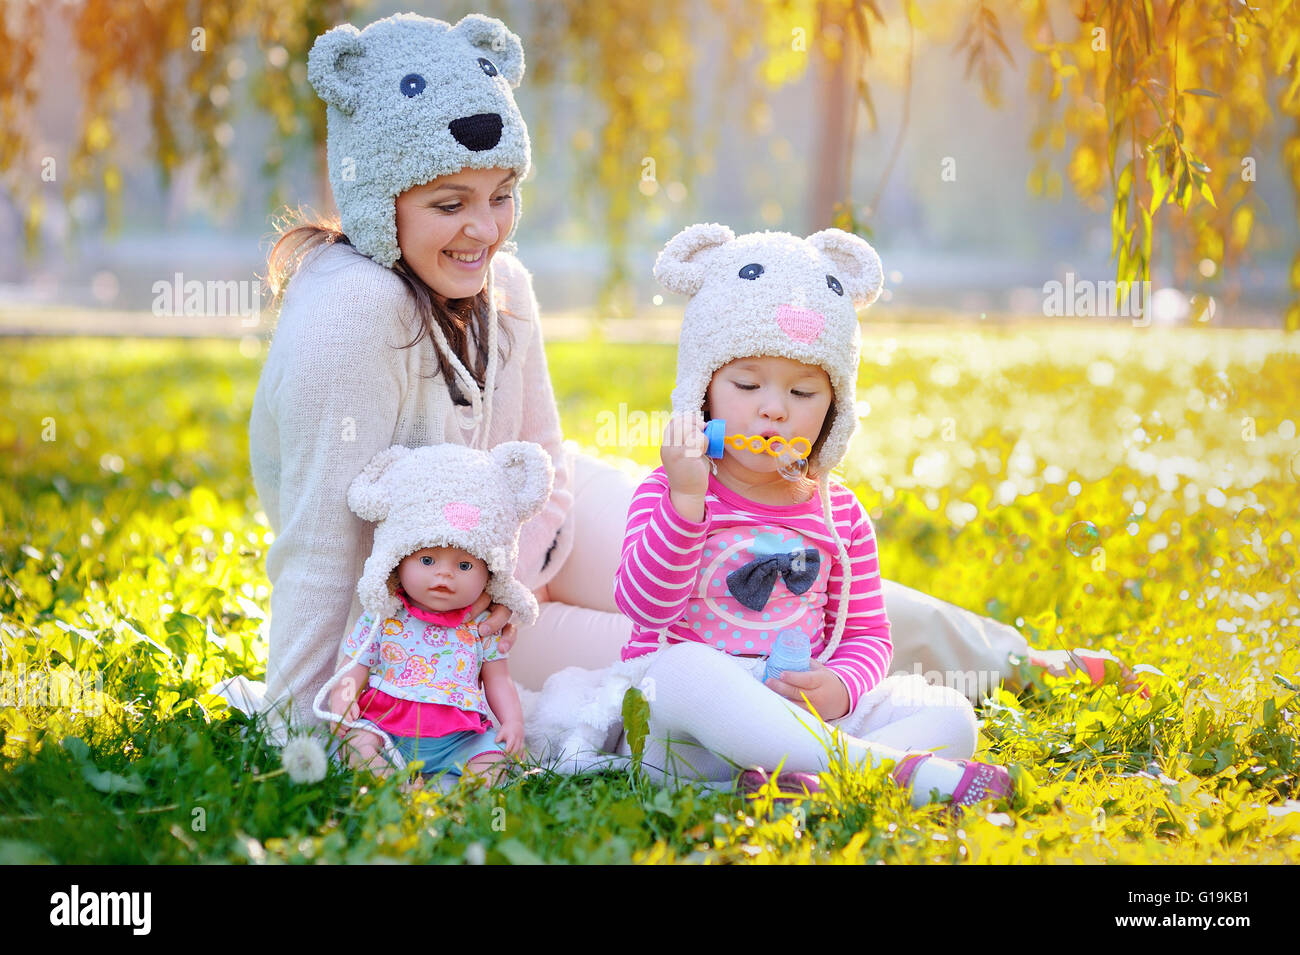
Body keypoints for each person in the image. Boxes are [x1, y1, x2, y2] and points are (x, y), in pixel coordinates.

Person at [235, 10, 1138, 748]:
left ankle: (1015, 660)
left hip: (530, 522)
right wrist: (305, 724)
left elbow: (540, 452)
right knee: (705, 644)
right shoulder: (348, 314)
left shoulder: (502, 285)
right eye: (448, 204)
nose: (484, 230)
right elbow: (318, 546)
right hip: (438, 586)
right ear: (377, 199)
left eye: (500, 194)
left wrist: (547, 549)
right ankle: (832, 746)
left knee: (759, 541)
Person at [610, 223, 1011, 807]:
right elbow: (645, 607)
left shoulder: (838, 511)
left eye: (803, 394)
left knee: (949, 713)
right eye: (747, 384)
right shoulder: (670, 492)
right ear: (703, 395)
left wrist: (842, 688)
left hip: (802, 713)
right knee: (677, 672)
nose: (773, 410)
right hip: (690, 738)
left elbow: (868, 634)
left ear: (833, 413)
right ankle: (889, 774)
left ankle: (805, 782)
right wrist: (687, 501)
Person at [314, 440, 552, 784]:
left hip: (458, 738)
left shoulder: (482, 626)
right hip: (387, 727)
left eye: (465, 564)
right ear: (399, 560)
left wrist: (513, 722)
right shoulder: (385, 616)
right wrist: (343, 694)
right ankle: (396, 785)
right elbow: (354, 666)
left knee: (494, 759)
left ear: (490, 574)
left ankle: (465, 793)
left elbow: (498, 680)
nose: (444, 574)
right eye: (427, 560)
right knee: (357, 741)